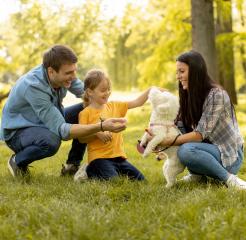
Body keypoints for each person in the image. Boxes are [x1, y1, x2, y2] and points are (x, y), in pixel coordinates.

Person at [0, 45, 126, 177]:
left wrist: (104, 107)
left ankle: (72, 166)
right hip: (18, 132)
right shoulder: (33, 86)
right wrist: (100, 127)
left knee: (86, 109)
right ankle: (17, 161)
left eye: (74, 71)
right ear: (51, 72)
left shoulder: (63, 75)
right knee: (51, 141)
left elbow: (88, 95)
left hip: (41, 121)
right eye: (68, 73)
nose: (73, 77)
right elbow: (62, 130)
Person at [151, 50, 245, 189]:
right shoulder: (188, 95)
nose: (178, 76)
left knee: (186, 150)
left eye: (181, 71)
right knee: (179, 127)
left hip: (229, 156)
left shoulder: (216, 95)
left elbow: (200, 134)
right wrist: (159, 140)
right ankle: (197, 175)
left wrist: (169, 141)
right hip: (207, 149)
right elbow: (177, 126)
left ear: (196, 71)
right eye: (177, 72)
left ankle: (230, 179)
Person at [75, 69, 153, 181]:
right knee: (114, 181)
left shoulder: (114, 106)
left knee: (141, 181)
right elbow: (82, 138)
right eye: (103, 90)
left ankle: (105, 171)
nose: (107, 93)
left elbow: (137, 102)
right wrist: (97, 133)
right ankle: (89, 170)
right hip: (99, 158)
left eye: (108, 89)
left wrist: (151, 90)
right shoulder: (85, 113)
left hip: (119, 158)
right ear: (90, 92)